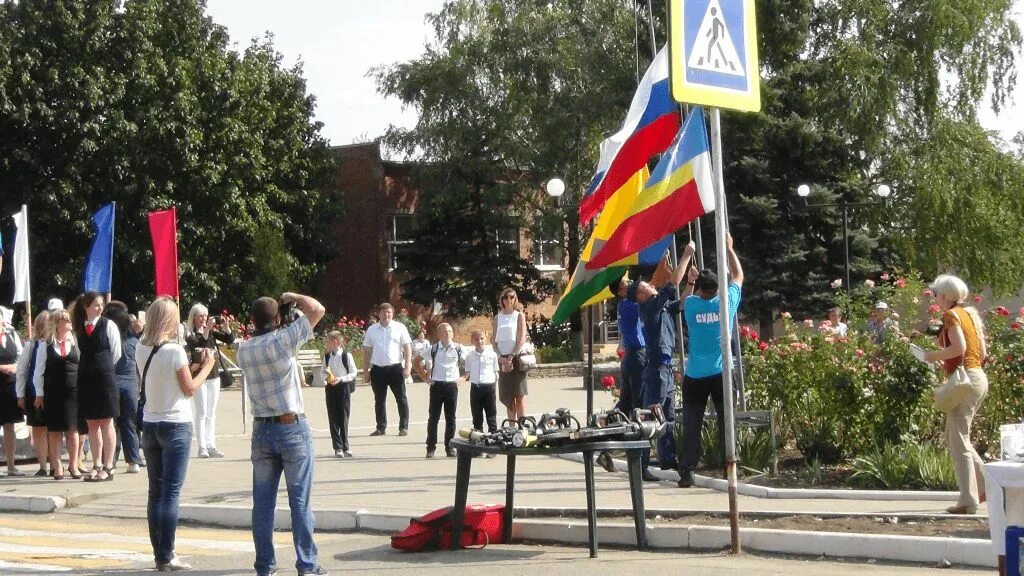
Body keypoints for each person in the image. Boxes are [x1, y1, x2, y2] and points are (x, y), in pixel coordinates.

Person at [237, 292, 327, 576]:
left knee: (263, 503)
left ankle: (265, 564)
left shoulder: (244, 349)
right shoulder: (283, 340)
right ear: (277, 319)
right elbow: (318, 309)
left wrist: (277, 318)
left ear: (252, 320)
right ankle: (307, 564)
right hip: (291, 426)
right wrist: (294, 297)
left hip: (261, 428)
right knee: (299, 501)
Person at [137, 296, 217, 571]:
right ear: (170, 320)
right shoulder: (175, 351)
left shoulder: (140, 346)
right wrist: (207, 365)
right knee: (171, 492)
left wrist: (192, 369)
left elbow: (160, 380)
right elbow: (190, 388)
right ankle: (167, 553)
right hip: (176, 424)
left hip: (150, 422)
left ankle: (159, 553)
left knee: (155, 490)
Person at [678, 235, 744, 488]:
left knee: (692, 424)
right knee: (727, 421)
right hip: (721, 374)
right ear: (716, 289)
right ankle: (729, 466)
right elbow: (738, 276)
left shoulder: (693, 305)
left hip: (695, 375)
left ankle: (687, 471)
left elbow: (683, 301)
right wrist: (728, 249)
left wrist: (690, 282)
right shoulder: (725, 302)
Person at [627, 242, 696, 482]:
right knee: (649, 417)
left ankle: (667, 458)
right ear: (640, 294)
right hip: (656, 369)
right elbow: (672, 284)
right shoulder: (649, 307)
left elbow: (681, 302)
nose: (651, 285)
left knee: (667, 416)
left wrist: (692, 283)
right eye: (646, 285)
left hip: (665, 368)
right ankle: (642, 464)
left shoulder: (661, 306)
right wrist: (686, 255)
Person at [921, 275, 987, 515]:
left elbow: (959, 349)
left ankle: (968, 499)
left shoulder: (950, 315)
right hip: (976, 376)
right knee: (957, 436)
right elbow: (981, 351)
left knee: (958, 439)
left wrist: (930, 356)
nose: (935, 298)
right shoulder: (970, 314)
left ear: (945, 296)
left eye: (937, 293)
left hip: (965, 379)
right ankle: (984, 485)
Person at [72, 292, 122, 482]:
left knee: (106, 421)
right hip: (86, 379)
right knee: (92, 424)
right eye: (95, 305)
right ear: (86, 306)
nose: (100, 308)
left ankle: (109, 466)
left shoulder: (108, 325)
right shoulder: (79, 329)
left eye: (101, 305)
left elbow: (116, 353)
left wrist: (103, 367)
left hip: (105, 378)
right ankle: (97, 463)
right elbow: (78, 351)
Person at [34, 308, 83, 480]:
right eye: (65, 319)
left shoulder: (75, 341)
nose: (69, 322)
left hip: (73, 392)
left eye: (70, 319)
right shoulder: (45, 344)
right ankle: (57, 466)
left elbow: (82, 365)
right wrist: (39, 394)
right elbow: (38, 372)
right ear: (57, 323)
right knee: (55, 431)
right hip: (53, 393)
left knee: (73, 430)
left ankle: (73, 464)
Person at [184, 304, 235, 459]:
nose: (204, 319)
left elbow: (229, 340)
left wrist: (227, 328)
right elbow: (198, 344)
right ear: (193, 317)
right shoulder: (190, 334)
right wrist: (206, 331)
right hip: (199, 377)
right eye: (200, 316)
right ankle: (202, 446)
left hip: (213, 376)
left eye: (205, 316)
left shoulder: (211, 333)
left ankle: (211, 444)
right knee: (201, 412)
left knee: (211, 413)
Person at [103, 301, 144, 474]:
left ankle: (109, 461)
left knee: (109, 424)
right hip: (130, 384)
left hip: (111, 383)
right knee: (129, 423)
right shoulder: (134, 341)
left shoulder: (106, 338)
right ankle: (133, 460)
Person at [362, 302, 412, 437]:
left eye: (389, 312)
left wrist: (407, 367)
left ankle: (403, 427)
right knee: (379, 400)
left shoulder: (400, 328)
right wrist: (366, 371)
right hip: (378, 369)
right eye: (384, 313)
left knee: (401, 399)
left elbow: (407, 348)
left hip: (395, 368)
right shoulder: (372, 330)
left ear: (393, 313)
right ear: (379, 314)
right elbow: (367, 351)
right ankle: (381, 427)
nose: (386, 315)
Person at [420, 323, 463, 458]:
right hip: (437, 385)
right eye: (444, 332)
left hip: (451, 386)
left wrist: (464, 377)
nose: (448, 334)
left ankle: (450, 447)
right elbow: (416, 361)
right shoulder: (433, 349)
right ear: (439, 334)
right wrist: (425, 377)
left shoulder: (458, 348)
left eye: (450, 331)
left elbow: (469, 363)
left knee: (451, 419)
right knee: (433, 418)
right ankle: (430, 448)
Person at [16, 311, 51, 477]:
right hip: (33, 392)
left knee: (55, 430)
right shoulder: (31, 345)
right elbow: (21, 371)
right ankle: (43, 466)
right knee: (39, 429)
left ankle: (55, 464)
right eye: (45, 323)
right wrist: (20, 394)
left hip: (54, 392)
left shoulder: (57, 343)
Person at [493, 288, 528, 421]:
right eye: (506, 297)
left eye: (512, 297)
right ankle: (512, 427)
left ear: (515, 299)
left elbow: (521, 338)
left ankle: (522, 425)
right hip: (503, 358)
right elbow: (494, 340)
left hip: (516, 358)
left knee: (519, 395)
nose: (509, 300)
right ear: (502, 299)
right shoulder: (497, 317)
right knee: (508, 397)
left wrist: (511, 356)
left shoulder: (519, 315)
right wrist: (500, 357)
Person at [0, 306, 25, 477]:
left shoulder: (11, 334)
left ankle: (11, 465)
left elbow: (21, 355)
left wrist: (15, 367)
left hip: (9, 385)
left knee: (9, 426)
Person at [323, 331, 356, 458]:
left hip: (343, 387)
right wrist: (327, 378)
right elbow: (322, 371)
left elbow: (353, 373)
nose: (326, 344)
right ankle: (337, 447)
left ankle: (345, 446)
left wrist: (341, 379)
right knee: (333, 417)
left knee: (343, 417)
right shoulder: (327, 356)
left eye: (328, 341)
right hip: (330, 388)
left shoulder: (346, 356)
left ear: (336, 342)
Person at [464, 329, 499, 445]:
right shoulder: (469, 356)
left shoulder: (492, 355)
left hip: (489, 387)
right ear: (472, 341)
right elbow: (467, 372)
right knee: (477, 417)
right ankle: (478, 444)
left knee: (491, 416)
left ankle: (493, 442)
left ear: (486, 338)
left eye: (482, 338)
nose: (479, 341)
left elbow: (496, 370)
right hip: (476, 387)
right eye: (476, 339)